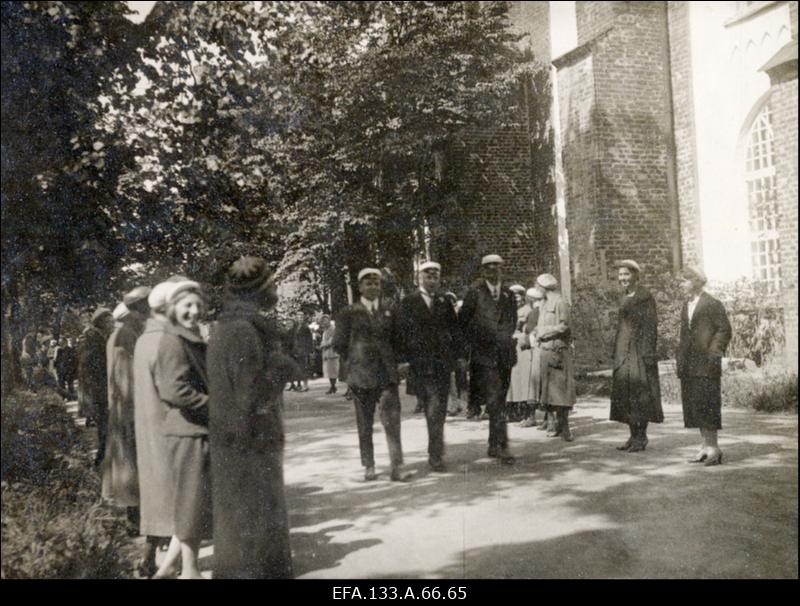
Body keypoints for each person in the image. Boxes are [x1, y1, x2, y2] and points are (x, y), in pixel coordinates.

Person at [207, 256, 298, 578]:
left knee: (240, 525)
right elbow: (250, 396)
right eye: (271, 282)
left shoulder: (224, 326)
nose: (274, 287)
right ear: (258, 290)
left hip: (232, 443)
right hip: (251, 445)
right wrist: (281, 370)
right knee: (255, 527)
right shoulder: (246, 330)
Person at [154, 280, 212, 579]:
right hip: (188, 431)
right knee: (191, 506)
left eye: (197, 305)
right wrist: (214, 406)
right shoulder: (174, 340)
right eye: (186, 305)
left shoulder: (189, 336)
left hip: (196, 430)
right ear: (173, 309)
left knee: (194, 503)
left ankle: (169, 568)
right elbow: (175, 390)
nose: (193, 311)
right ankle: (190, 571)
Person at [333, 267, 410, 482]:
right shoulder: (349, 312)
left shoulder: (390, 310)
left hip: (387, 375)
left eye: (376, 282)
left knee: (392, 422)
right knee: (364, 424)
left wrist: (401, 362)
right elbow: (339, 343)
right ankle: (369, 465)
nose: (373, 286)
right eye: (368, 283)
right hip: (361, 376)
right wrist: (354, 363)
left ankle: (397, 466)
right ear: (360, 287)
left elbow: (399, 339)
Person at [133, 277, 188, 579]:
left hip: (150, 430)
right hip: (171, 430)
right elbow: (177, 391)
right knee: (179, 499)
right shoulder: (166, 340)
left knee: (159, 497)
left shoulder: (143, 339)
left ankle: (148, 559)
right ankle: (172, 566)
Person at [398, 262, 467, 472]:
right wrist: (403, 360)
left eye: (435, 277)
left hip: (442, 364)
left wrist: (460, 356)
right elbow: (401, 333)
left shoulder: (444, 301)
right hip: (420, 364)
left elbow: (455, 331)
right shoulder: (409, 302)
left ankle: (435, 451)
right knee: (433, 408)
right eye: (428, 276)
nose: (432, 280)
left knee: (438, 409)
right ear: (420, 278)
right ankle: (435, 453)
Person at [101, 286, 151, 539]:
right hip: (129, 412)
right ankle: (135, 520)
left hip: (127, 410)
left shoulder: (126, 333)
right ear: (141, 309)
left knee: (132, 466)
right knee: (131, 467)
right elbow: (126, 381)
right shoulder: (124, 337)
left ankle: (138, 518)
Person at [458, 254, 517, 464]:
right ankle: (502, 445)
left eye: (497, 267)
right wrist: (466, 352)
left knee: (500, 399)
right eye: (488, 268)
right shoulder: (474, 293)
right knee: (494, 400)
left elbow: (512, 321)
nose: (493, 271)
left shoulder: (509, 294)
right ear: (483, 271)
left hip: (504, 354)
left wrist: (505, 340)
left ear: (502, 269)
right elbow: (462, 323)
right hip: (484, 356)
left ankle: (494, 444)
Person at [677, 266, 732, 466]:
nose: (680, 284)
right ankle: (705, 446)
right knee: (696, 405)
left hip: (706, 363)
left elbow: (724, 330)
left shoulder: (712, 304)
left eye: (684, 280)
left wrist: (714, 352)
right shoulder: (686, 304)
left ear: (696, 281)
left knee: (708, 404)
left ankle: (714, 448)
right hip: (690, 363)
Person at [609, 260, 664, 452]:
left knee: (640, 395)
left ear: (635, 275)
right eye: (621, 275)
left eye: (627, 274)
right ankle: (633, 436)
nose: (623, 278)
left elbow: (651, 327)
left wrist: (648, 353)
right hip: (624, 352)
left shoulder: (644, 297)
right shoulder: (625, 297)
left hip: (639, 352)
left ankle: (642, 437)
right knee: (626, 394)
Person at [535, 273, 576, 441]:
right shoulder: (543, 304)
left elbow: (564, 326)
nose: (537, 288)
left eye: (538, 286)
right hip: (545, 351)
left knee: (562, 390)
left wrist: (544, 333)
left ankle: (564, 427)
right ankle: (553, 424)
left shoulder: (560, 302)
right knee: (547, 390)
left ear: (544, 287)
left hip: (558, 351)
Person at [77, 307, 114, 465]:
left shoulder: (97, 337)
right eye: (109, 320)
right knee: (104, 425)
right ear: (101, 322)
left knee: (105, 425)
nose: (112, 323)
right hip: (99, 389)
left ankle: (103, 456)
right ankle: (102, 459)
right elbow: (93, 366)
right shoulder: (94, 339)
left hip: (99, 388)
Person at [519, 286, 546, 428]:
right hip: (541, 349)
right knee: (543, 384)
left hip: (535, 349)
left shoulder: (534, 313)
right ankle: (547, 418)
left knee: (534, 384)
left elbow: (528, 331)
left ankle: (531, 417)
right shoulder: (542, 311)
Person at [506, 284, 532, 423]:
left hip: (522, 348)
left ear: (523, 297)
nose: (516, 299)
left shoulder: (527, 311)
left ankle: (524, 411)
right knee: (510, 380)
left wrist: (521, 335)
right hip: (509, 348)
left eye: (518, 296)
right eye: (513, 296)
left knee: (522, 379)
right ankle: (511, 411)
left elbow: (530, 329)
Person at [319, 315, 340, 394]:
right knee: (329, 371)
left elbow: (332, 341)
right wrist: (322, 345)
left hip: (332, 352)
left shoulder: (333, 328)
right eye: (323, 320)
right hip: (326, 352)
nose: (324, 322)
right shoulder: (325, 330)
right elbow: (323, 340)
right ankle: (332, 386)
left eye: (326, 320)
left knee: (333, 370)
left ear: (329, 320)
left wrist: (323, 345)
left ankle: (333, 386)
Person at [292, 314, 313, 392]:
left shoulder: (305, 328)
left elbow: (309, 339)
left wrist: (309, 350)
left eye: (301, 317)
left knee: (304, 367)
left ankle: (306, 385)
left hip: (304, 350)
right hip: (297, 350)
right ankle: (299, 385)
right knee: (298, 368)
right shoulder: (296, 328)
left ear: (303, 319)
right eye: (298, 317)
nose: (300, 319)